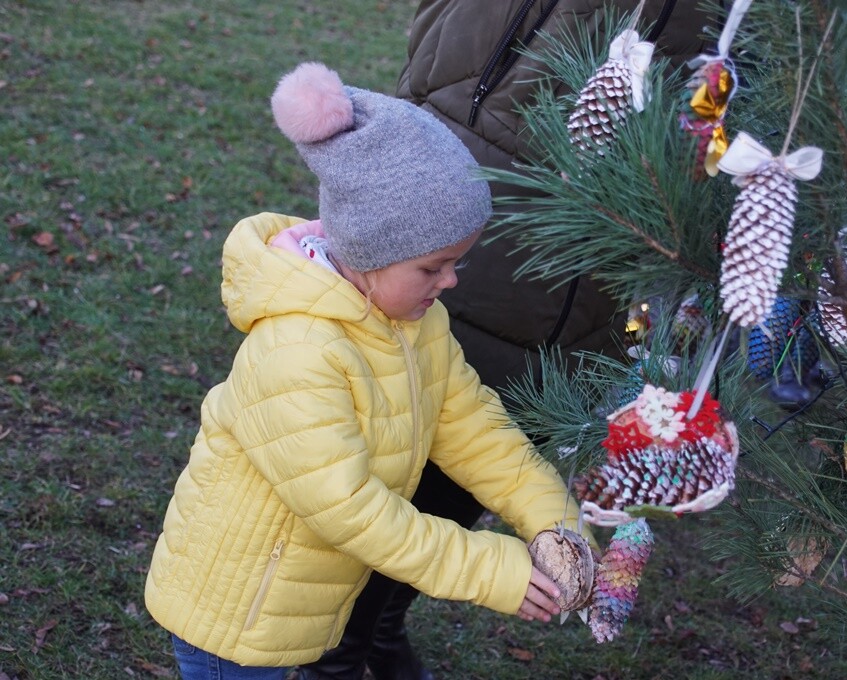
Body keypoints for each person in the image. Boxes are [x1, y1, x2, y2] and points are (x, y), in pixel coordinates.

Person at [297, 2, 711, 680]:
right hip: (482, 132)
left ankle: (374, 630)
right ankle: (342, 648)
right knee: (396, 442)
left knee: (487, 443)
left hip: (603, 227)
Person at [144, 60, 591, 680]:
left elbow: (473, 427)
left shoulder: (411, 322)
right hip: (236, 618)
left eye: (458, 261)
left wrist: (552, 519)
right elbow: (352, 509)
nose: (452, 281)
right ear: (372, 252)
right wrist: (493, 569)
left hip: (298, 602)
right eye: (434, 266)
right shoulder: (298, 351)